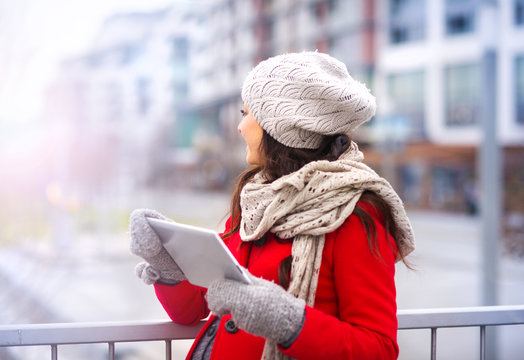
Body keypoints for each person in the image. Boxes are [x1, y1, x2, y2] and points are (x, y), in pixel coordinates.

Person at [129, 51, 415, 360]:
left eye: (246, 113)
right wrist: (170, 267)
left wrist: (289, 322)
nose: (240, 127)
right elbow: (198, 306)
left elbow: (378, 349)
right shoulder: (254, 199)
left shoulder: (354, 213)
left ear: (282, 125)